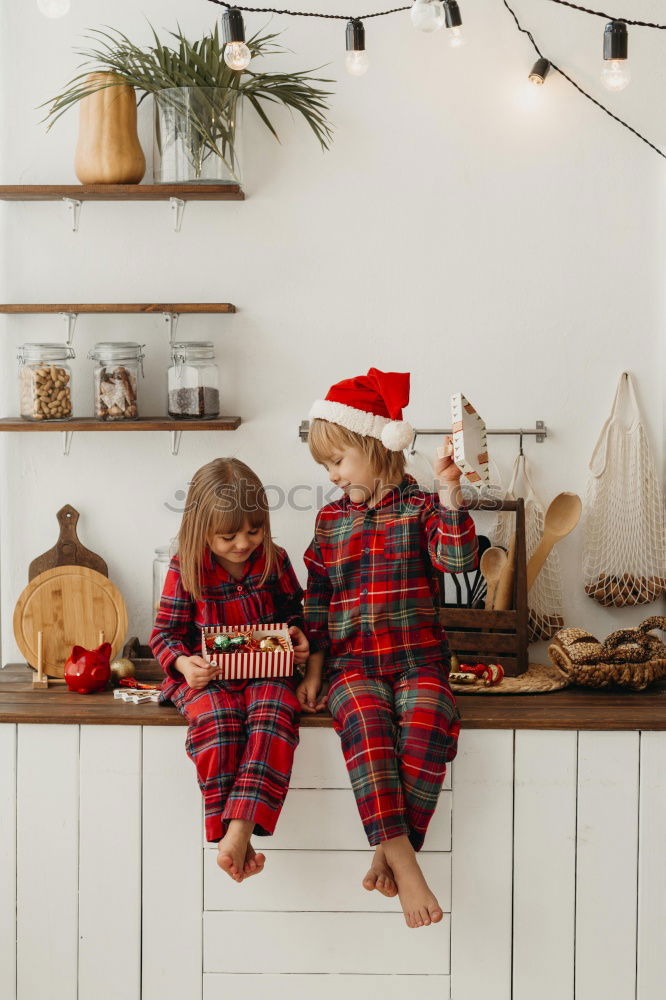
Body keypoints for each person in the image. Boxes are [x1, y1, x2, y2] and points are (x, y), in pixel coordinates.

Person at [298, 367, 478, 928]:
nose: (330, 476)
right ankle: (406, 862)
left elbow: (457, 560)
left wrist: (450, 492)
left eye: (337, 462)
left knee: (429, 718)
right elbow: (318, 605)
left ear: (377, 447)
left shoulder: (424, 509)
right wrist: (313, 671)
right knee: (367, 727)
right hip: (352, 667)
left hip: (418, 660)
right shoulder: (330, 523)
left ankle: (390, 852)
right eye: (324, 466)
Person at [150, 457, 310, 883]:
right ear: (201, 529)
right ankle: (235, 833)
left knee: (276, 711)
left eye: (254, 531)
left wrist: (297, 637)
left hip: (266, 673)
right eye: (228, 536)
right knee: (218, 723)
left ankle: (235, 832)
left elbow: (299, 614)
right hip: (207, 679)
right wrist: (184, 663)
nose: (243, 543)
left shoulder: (274, 560)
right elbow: (164, 634)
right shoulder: (186, 567)